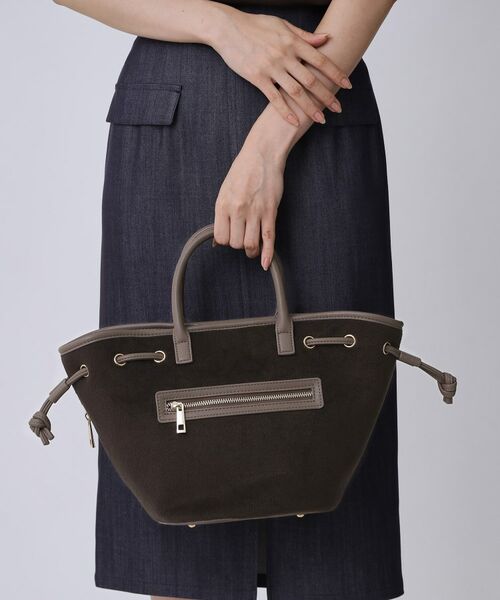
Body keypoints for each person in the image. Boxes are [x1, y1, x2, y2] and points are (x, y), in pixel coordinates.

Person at [52, 0, 402, 598]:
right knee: (177, 484)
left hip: (319, 98)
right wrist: (221, 25)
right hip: (172, 121)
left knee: (333, 443)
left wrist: (270, 141)